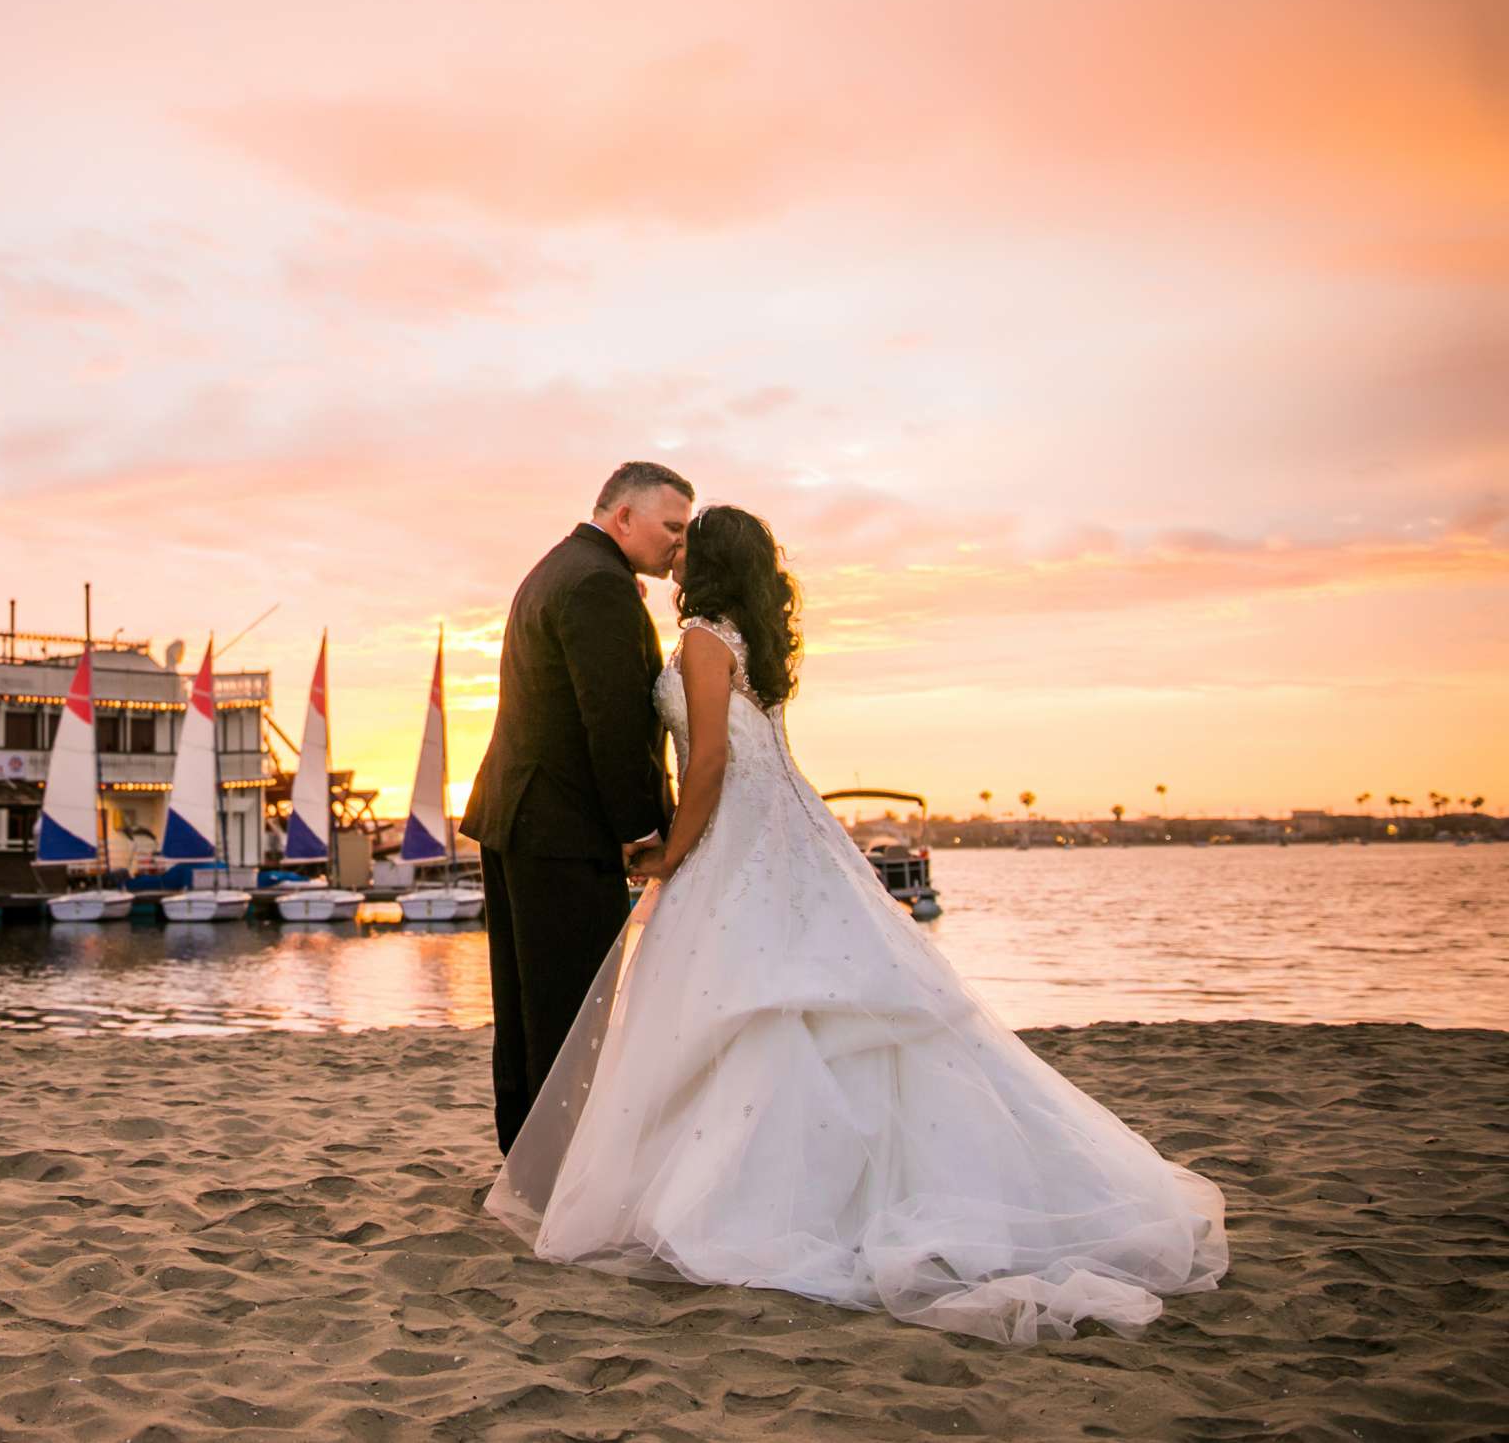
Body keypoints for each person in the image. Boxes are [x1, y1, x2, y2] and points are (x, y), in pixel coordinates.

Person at [485, 504, 1228, 1343]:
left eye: (692, 542)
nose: (678, 551)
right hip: (786, 837)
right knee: (787, 1008)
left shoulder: (701, 636)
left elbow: (716, 761)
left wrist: (669, 851)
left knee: (750, 1009)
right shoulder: (749, 641)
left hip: (734, 839)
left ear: (714, 563)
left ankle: (753, 1201)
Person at [461, 461, 692, 1154]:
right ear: (624, 516)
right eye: (671, 527)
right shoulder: (599, 585)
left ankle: (524, 1161)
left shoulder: (554, 568)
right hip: (561, 828)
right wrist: (641, 830)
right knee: (570, 1011)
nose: (679, 546)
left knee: (526, 1007)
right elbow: (613, 723)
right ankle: (557, 1170)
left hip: (516, 816)